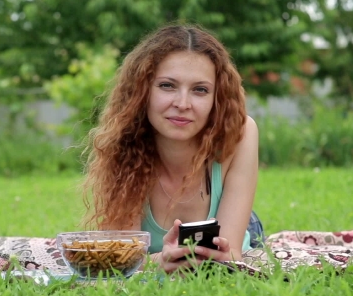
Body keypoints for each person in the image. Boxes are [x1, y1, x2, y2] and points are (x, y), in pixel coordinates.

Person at [81, 24, 264, 274]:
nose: (182, 103)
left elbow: (229, 254)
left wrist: (160, 261)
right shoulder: (124, 142)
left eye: (200, 90)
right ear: (143, 91)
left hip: (242, 227)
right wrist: (161, 261)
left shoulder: (241, 133)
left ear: (216, 98)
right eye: (167, 86)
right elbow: (119, 262)